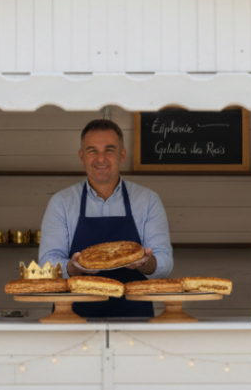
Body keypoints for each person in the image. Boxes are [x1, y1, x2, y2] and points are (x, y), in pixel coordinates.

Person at [39, 118, 174, 318]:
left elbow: (165, 262)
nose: (100, 158)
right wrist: (72, 268)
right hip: (73, 318)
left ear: (122, 155)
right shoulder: (62, 202)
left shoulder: (147, 200)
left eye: (109, 150)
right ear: (81, 156)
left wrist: (146, 263)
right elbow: (47, 265)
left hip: (135, 316)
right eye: (92, 150)